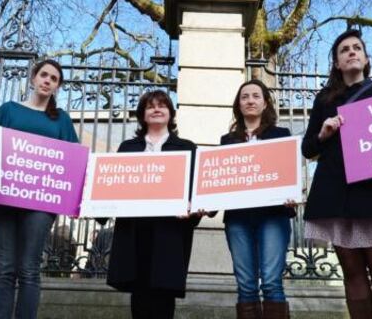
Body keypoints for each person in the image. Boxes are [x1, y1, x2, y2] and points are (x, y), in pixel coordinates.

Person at [301, 28, 372, 319]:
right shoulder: (324, 100)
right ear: (336, 62)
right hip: (334, 191)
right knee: (352, 269)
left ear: (366, 58)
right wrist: (324, 132)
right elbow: (307, 149)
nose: (351, 52)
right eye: (344, 50)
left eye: (357, 47)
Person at [0, 59, 78, 318]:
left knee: (29, 269)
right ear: (33, 78)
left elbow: (72, 162)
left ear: (57, 86)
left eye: (54, 79)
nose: (48, 81)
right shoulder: (9, 110)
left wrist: (75, 201)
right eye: (44, 75)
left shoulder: (62, 120)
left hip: (41, 203)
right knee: (4, 268)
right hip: (1, 201)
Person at [106, 90, 202, 319]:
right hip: (135, 230)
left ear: (170, 114)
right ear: (142, 115)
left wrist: (192, 206)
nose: (156, 109)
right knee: (139, 293)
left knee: (163, 292)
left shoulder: (187, 147)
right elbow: (113, 185)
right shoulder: (127, 147)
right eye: (150, 106)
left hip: (169, 232)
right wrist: (96, 207)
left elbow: (199, 189)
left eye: (162, 106)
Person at [221, 80, 295, 319]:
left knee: (272, 282)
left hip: (273, 216)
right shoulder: (226, 141)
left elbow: (288, 174)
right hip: (238, 219)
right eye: (244, 97)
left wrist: (290, 195)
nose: (250, 100)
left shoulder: (281, 135)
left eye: (255, 96)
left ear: (265, 103)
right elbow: (219, 179)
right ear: (238, 105)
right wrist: (207, 203)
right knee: (246, 285)